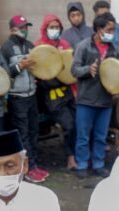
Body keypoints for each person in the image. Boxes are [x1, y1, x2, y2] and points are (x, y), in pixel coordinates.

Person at [71, 12, 119, 179]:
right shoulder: (84, 46)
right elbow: (74, 70)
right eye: (109, 29)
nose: (112, 33)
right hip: (86, 100)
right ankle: (82, 164)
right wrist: (87, 70)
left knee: (101, 136)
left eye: (113, 30)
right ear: (99, 29)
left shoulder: (114, 48)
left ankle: (98, 164)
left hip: (105, 101)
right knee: (83, 136)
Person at [1, 15, 47, 183]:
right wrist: (20, 66)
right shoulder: (5, 48)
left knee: (34, 131)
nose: (24, 30)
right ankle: (27, 168)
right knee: (23, 134)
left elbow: (39, 68)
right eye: (21, 27)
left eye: (26, 27)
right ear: (12, 29)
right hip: (17, 97)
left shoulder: (30, 46)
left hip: (31, 95)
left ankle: (34, 164)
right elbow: (3, 73)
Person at [35, 14, 78, 170]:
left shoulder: (65, 45)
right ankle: (70, 158)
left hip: (67, 91)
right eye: (51, 27)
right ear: (45, 28)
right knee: (69, 124)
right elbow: (41, 75)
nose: (55, 30)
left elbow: (70, 69)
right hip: (51, 95)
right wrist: (57, 79)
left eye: (57, 27)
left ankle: (76, 155)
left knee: (78, 123)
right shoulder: (39, 47)